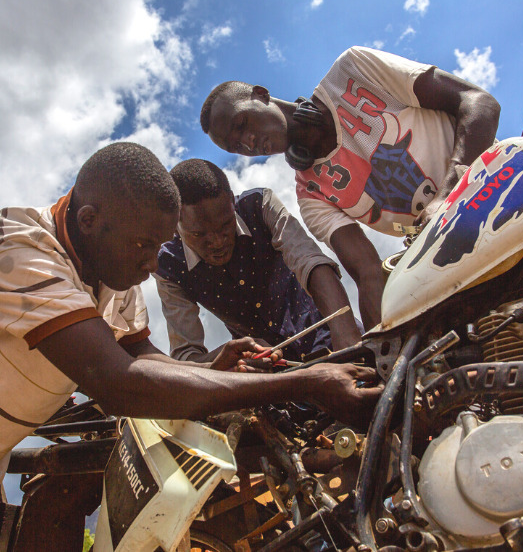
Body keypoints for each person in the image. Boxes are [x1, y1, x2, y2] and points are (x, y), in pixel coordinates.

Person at [0, 142, 381, 492]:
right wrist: (304, 384)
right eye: (144, 246)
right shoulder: (20, 250)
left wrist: (216, 368)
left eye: (159, 247)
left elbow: (145, 358)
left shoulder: (116, 278)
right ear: (89, 220)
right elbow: (119, 383)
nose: (152, 265)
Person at [200, 46, 501, 329]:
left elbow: (478, 102)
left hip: (506, 192)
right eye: (235, 146)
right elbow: (368, 274)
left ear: (261, 95)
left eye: (242, 124)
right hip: (458, 259)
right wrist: (379, 352)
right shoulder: (311, 196)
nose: (247, 143)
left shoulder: (353, 70)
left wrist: (450, 194)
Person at [154, 158, 362, 363]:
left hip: (330, 336)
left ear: (232, 203)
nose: (217, 242)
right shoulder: (167, 266)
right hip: (267, 374)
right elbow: (186, 356)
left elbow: (310, 261)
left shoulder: (260, 205)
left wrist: (346, 337)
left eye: (226, 224)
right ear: (175, 227)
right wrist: (232, 357)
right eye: (199, 235)